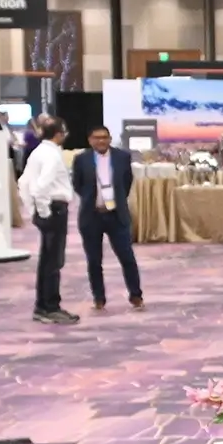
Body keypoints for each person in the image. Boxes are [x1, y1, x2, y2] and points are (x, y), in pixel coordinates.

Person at [17, 115, 80, 325]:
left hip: (47, 210)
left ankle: (43, 306)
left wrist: (32, 210)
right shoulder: (51, 155)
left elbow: (23, 183)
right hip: (54, 210)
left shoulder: (38, 152)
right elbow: (40, 187)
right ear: (59, 134)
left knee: (47, 261)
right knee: (53, 261)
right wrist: (44, 212)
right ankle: (50, 307)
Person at [73, 124, 144, 311]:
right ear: (90, 140)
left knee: (127, 257)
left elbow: (127, 182)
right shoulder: (81, 159)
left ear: (110, 139)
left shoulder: (122, 157)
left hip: (117, 216)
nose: (101, 141)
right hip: (91, 216)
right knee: (94, 261)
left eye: (105, 137)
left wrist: (115, 200)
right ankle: (99, 298)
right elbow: (77, 185)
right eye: (97, 138)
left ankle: (136, 295)